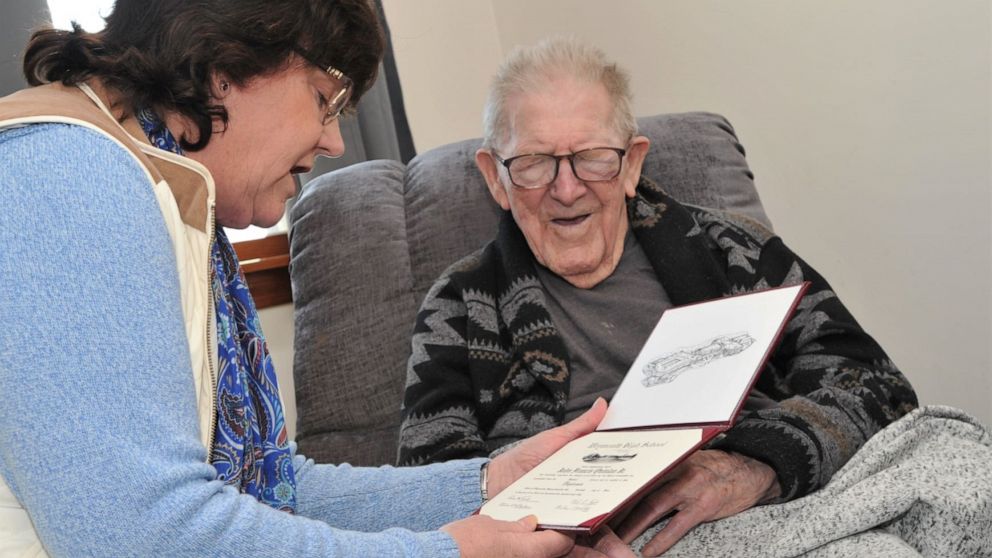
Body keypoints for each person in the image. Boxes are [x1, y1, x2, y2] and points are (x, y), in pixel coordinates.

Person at [0, 4, 620, 557]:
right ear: (225, 67)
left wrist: (489, 482)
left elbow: (274, 491)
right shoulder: (66, 173)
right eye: (324, 99)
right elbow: (136, 534)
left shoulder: (153, 186)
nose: (334, 139)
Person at [398, 37, 919, 556]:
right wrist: (553, 543)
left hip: (775, 490)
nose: (566, 188)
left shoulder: (731, 249)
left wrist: (757, 463)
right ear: (496, 179)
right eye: (534, 163)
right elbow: (429, 483)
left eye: (592, 157)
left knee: (953, 448)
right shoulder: (462, 305)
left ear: (630, 165)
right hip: (620, 537)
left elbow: (877, 384)